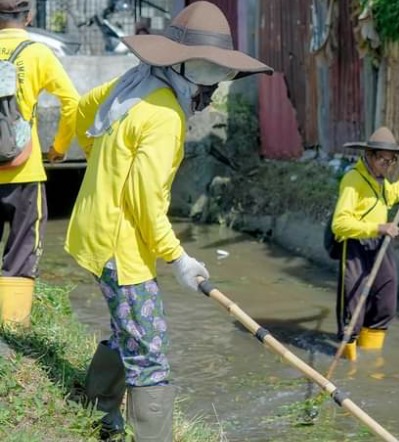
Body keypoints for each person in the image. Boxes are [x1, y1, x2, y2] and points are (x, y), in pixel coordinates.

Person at [64, 2, 272, 440]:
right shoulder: (165, 117)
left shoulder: (134, 83)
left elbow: (83, 110)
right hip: (121, 245)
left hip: (95, 229)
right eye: (206, 75)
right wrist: (178, 259)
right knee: (150, 349)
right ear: (181, 67)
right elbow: (144, 201)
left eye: (219, 75)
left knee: (130, 329)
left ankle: (97, 408)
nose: (211, 91)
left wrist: (103, 165)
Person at [0, 0, 79, 327]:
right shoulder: (38, 53)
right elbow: (71, 102)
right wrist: (59, 148)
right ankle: (12, 330)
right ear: (29, 16)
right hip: (24, 169)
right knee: (21, 253)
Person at [331, 126, 399, 361]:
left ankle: (371, 360)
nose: (386, 165)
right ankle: (348, 361)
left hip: (379, 244)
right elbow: (340, 223)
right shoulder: (353, 180)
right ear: (368, 156)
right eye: (381, 160)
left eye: (390, 161)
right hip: (356, 245)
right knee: (353, 305)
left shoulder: (381, 180)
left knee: (385, 299)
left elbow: (393, 195)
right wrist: (378, 227)